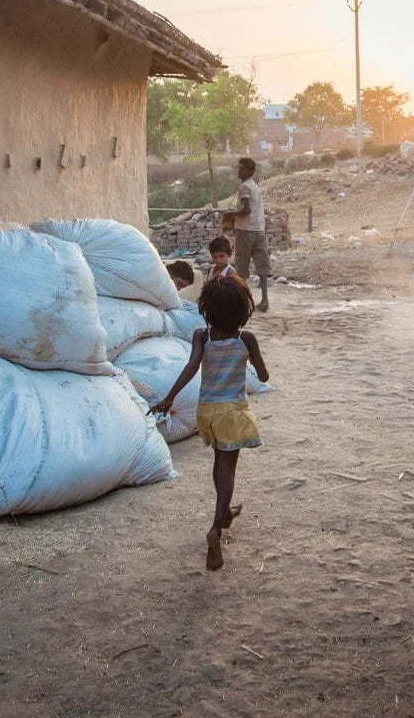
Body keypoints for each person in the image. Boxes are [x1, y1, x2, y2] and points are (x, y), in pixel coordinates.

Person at [152, 277, 269, 571]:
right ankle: (216, 528)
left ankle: (225, 513)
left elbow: (191, 367)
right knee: (228, 468)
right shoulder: (246, 339)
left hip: (207, 411)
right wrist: (252, 361)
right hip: (233, 411)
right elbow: (263, 376)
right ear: (243, 310)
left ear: (207, 310)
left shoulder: (201, 336)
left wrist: (169, 398)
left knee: (219, 462)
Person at [218, 157, 270, 312]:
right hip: (259, 229)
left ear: (250, 171)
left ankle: (242, 301)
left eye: (242, 169)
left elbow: (246, 210)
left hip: (245, 231)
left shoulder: (244, 187)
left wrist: (230, 214)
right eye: (239, 168)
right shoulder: (255, 186)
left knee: (242, 266)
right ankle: (265, 300)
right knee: (262, 266)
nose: (239, 171)